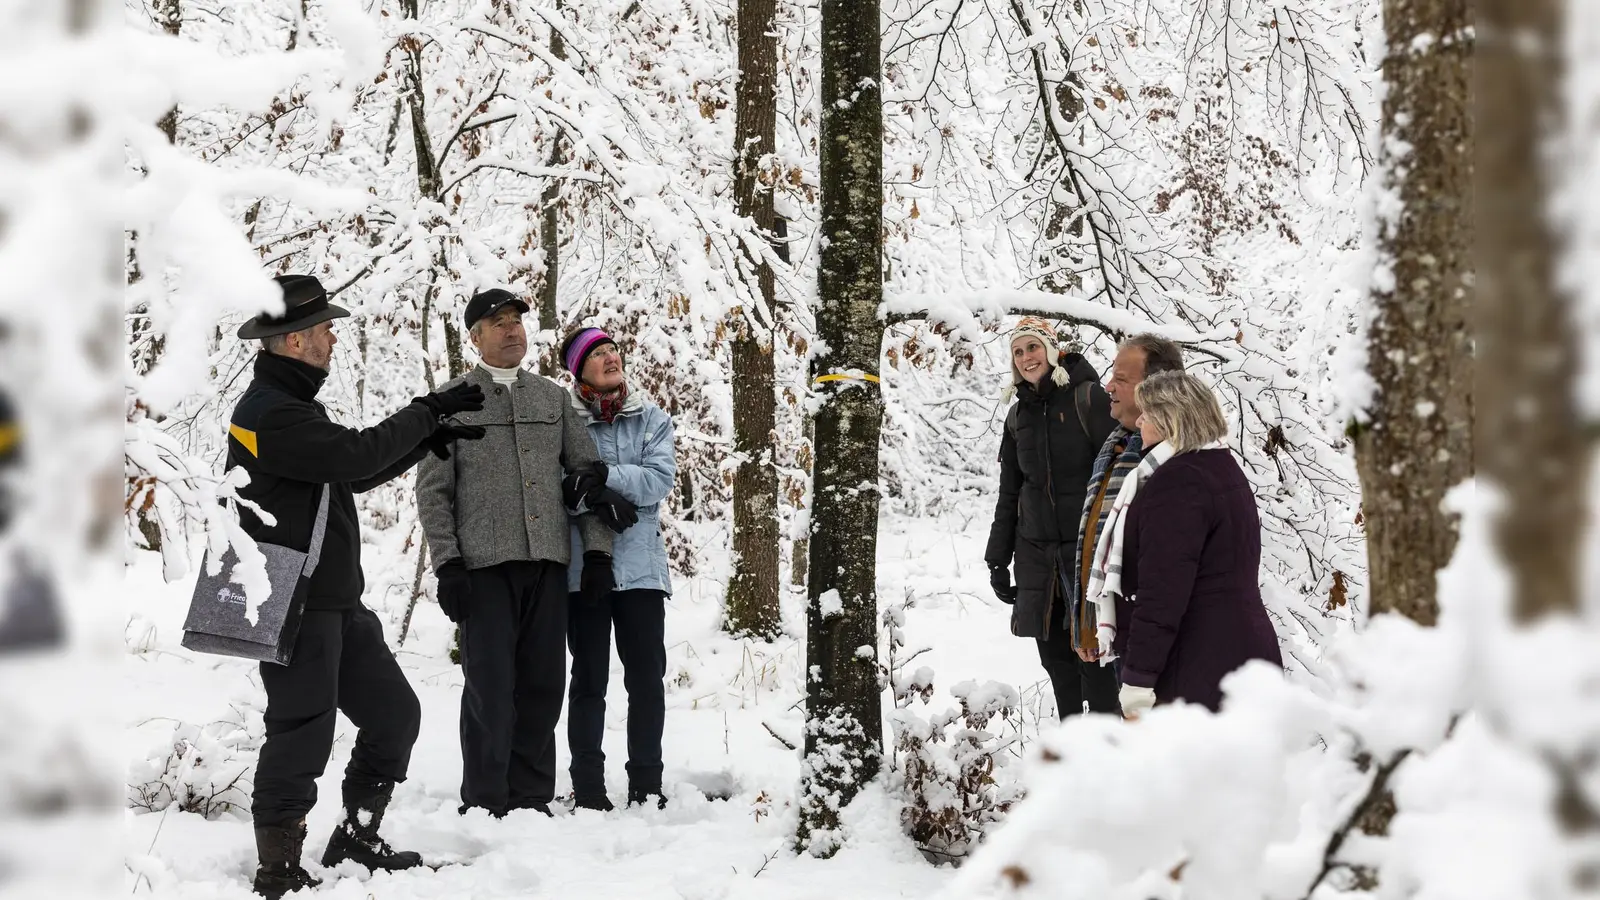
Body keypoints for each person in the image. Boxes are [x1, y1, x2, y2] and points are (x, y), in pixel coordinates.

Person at [230, 274, 487, 899]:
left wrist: (426, 436)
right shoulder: (266, 412)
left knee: (394, 716)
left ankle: (356, 836)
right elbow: (349, 457)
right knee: (302, 730)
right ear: (292, 341)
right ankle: (278, 867)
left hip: (335, 601)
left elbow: (346, 472)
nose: (333, 338)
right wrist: (424, 412)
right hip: (291, 598)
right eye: (324, 329)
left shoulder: (294, 407)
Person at [416, 289, 616, 819]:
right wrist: (447, 563)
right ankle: (485, 800)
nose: (511, 330)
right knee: (489, 685)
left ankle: (531, 797)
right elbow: (433, 491)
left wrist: (597, 553)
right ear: (475, 337)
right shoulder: (452, 399)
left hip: (547, 562)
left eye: (517, 321)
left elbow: (586, 479)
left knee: (544, 683)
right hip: (481, 568)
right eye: (497, 322)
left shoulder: (552, 400)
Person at [1105, 371, 1283, 718]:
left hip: (1197, 666)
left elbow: (1161, 592)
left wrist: (1139, 680)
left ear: (1172, 417)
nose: (1138, 420)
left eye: (1148, 412)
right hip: (1238, 656)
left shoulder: (1177, 481)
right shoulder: (1220, 466)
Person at [559, 327, 677, 811]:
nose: (610, 358)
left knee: (646, 679)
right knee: (589, 678)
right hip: (584, 569)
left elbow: (658, 481)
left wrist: (604, 477)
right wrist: (590, 495)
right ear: (577, 368)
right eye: (597, 353)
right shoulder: (562, 420)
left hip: (642, 570)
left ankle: (647, 784)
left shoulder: (651, 419)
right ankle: (587, 787)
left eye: (612, 350)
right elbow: (556, 486)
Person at [984, 317, 1121, 720]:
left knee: (1098, 666)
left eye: (1033, 347)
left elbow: (1120, 474)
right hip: (1038, 561)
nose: (1026, 357)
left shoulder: (1090, 399)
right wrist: (998, 558)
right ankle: (1073, 764)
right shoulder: (1017, 417)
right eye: (1018, 351)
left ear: (1052, 348)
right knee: (1058, 667)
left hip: (1088, 559)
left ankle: (1111, 762)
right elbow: (1010, 492)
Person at [1069, 334, 1187, 665]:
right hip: (1118, 638)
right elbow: (1095, 536)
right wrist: (1088, 625)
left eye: (1121, 379)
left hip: (1152, 648)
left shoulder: (1176, 457)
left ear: (1156, 389)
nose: (1107, 386)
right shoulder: (1117, 444)